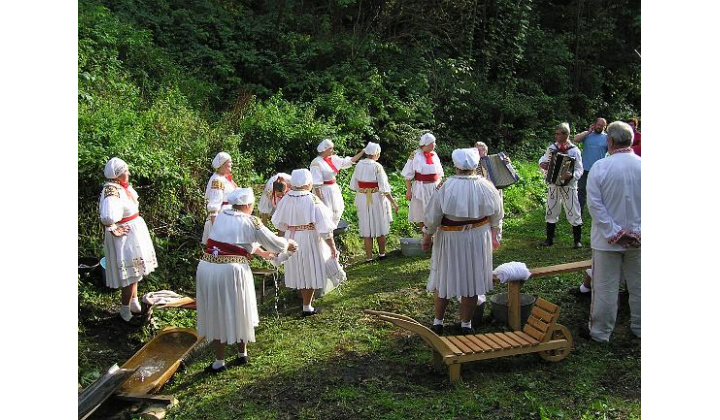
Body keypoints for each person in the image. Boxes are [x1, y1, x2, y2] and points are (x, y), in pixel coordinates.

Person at [196, 188, 296, 373]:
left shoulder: (222, 214)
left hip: (207, 266)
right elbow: (274, 242)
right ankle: (242, 353)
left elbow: (239, 241)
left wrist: (262, 252)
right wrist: (288, 245)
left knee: (216, 311)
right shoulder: (251, 221)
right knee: (240, 307)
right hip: (231, 269)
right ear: (248, 206)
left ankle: (219, 361)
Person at [421, 148, 504, 335]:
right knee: (472, 279)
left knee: (445, 277)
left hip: (451, 237)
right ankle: (465, 324)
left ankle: (438, 322)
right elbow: (497, 214)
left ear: (456, 165)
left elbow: (433, 215)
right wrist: (495, 232)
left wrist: (427, 236)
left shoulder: (445, 185)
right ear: (476, 165)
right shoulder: (486, 185)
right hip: (477, 238)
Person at [580, 121, 641, 342]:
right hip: (639, 240)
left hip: (607, 241)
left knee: (605, 287)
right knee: (640, 284)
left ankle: (600, 332)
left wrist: (615, 232)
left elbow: (595, 205)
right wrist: (636, 232)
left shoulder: (600, 167)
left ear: (610, 142)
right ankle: (641, 327)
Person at [272, 169, 339, 316]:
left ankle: (305, 303)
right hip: (309, 237)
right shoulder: (312, 199)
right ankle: (306, 306)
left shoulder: (286, 199)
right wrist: (332, 246)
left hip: (291, 238)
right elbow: (324, 228)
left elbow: (281, 226)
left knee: (299, 270)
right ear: (308, 183)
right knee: (309, 270)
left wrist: (281, 244)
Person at [99, 158, 159, 322]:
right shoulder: (112, 191)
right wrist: (112, 228)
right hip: (125, 236)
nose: (129, 173)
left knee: (136, 269)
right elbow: (108, 215)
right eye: (126, 171)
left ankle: (133, 302)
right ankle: (124, 309)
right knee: (130, 273)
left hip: (133, 231)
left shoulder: (121, 188)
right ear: (118, 174)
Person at [349, 142, 399, 262]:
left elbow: (354, 184)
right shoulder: (377, 167)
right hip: (376, 197)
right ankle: (382, 254)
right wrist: (393, 203)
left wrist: (363, 190)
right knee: (379, 223)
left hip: (362, 196)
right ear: (376, 153)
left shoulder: (359, 165)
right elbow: (385, 188)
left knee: (366, 224)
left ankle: (369, 257)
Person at [539, 122, 584, 248]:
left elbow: (580, 169)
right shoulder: (552, 148)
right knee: (551, 209)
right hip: (553, 184)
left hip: (569, 185)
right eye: (556, 134)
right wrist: (542, 164)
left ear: (566, 135)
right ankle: (549, 239)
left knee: (573, 210)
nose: (556, 136)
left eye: (558, 134)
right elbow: (543, 159)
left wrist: (571, 175)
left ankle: (577, 241)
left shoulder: (574, 151)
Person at [310, 139, 365, 225]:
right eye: (331, 148)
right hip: (324, 191)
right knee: (325, 213)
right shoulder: (316, 163)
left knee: (337, 210)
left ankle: (332, 232)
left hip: (333, 190)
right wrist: (320, 200)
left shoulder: (333, 159)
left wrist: (362, 152)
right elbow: (317, 183)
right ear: (324, 149)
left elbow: (349, 161)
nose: (333, 150)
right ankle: (325, 235)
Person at [401, 133, 444, 228]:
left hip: (434, 187)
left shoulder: (434, 155)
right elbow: (408, 174)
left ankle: (435, 237)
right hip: (421, 188)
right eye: (433, 143)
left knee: (435, 213)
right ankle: (425, 237)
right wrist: (409, 190)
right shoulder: (415, 155)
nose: (435, 145)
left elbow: (440, 174)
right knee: (422, 214)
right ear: (427, 144)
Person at [202, 152, 238, 245]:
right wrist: (217, 230)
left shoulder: (225, 179)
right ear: (223, 163)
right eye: (230, 162)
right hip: (222, 220)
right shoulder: (217, 180)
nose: (232, 164)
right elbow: (214, 205)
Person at [573, 118, 608, 213]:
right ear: (594, 124)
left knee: (598, 192)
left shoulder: (607, 138)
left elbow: (613, 151)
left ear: (605, 127)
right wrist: (588, 132)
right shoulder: (587, 135)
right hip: (584, 168)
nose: (600, 127)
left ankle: (598, 211)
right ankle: (579, 212)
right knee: (581, 190)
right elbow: (575, 139)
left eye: (602, 125)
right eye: (598, 124)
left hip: (598, 170)